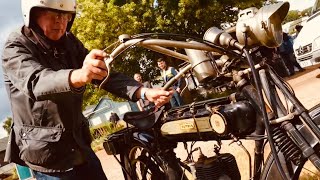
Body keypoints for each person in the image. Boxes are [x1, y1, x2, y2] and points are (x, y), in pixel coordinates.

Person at [1, 0, 173, 179]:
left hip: (79, 145)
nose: (60, 21)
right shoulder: (15, 47)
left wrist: (143, 92)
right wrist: (80, 75)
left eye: (65, 15)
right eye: (53, 14)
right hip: (47, 155)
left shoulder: (68, 41)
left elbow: (101, 73)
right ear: (33, 15)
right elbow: (36, 81)